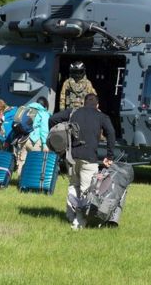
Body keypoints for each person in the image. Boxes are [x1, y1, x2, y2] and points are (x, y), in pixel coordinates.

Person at [49, 93, 115, 230]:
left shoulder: (73, 112)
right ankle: (79, 222)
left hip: (72, 157)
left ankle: (70, 214)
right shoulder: (101, 116)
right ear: (97, 105)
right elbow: (111, 133)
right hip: (89, 158)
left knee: (73, 185)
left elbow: (53, 119)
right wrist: (109, 156)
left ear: (84, 103)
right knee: (87, 190)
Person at [16, 96, 51, 176]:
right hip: (35, 141)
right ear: (45, 105)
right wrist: (45, 144)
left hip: (23, 139)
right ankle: (31, 183)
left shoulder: (26, 110)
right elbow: (44, 130)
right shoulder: (43, 113)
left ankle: (20, 182)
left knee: (22, 161)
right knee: (35, 162)